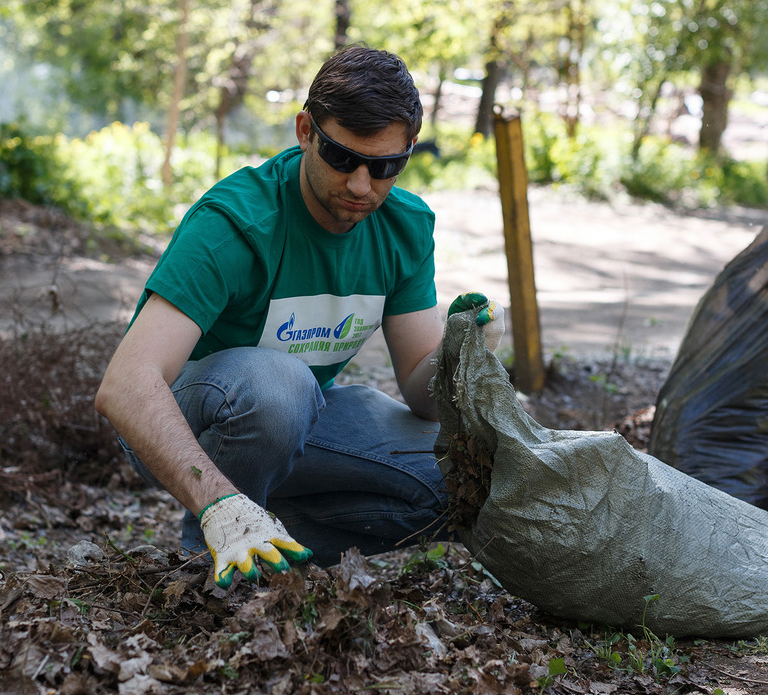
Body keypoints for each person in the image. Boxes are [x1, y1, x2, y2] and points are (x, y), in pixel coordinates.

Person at [95, 44, 503, 588]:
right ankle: (214, 549)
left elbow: (423, 399)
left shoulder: (404, 226)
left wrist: (460, 355)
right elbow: (125, 387)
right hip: (184, 416)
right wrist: (218, 504)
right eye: (342, 158)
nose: (362, 185)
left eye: (385, 166)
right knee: (278, 384)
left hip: (298, 415)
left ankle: (271, 541)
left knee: (464, 481)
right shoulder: (235, 222)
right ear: (306, 130)